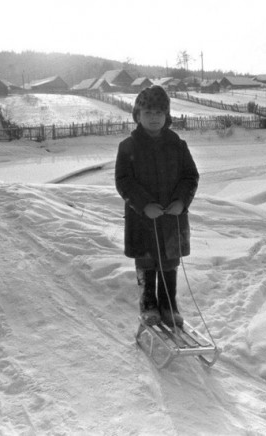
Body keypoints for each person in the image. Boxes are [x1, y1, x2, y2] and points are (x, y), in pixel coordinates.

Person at [115, 86, 199, 328]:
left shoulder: (178, 145)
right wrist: (144, 205)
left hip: (172, 218)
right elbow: (124, 182)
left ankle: (169, 304)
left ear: (167, 116)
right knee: (147, 261)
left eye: (159, 113)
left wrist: (181, 202)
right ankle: (149, 304)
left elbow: (190, 177)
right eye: (148, 112)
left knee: (169, 262)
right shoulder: (128, 147)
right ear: (138, 115)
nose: (154, 118)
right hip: (141, 219)